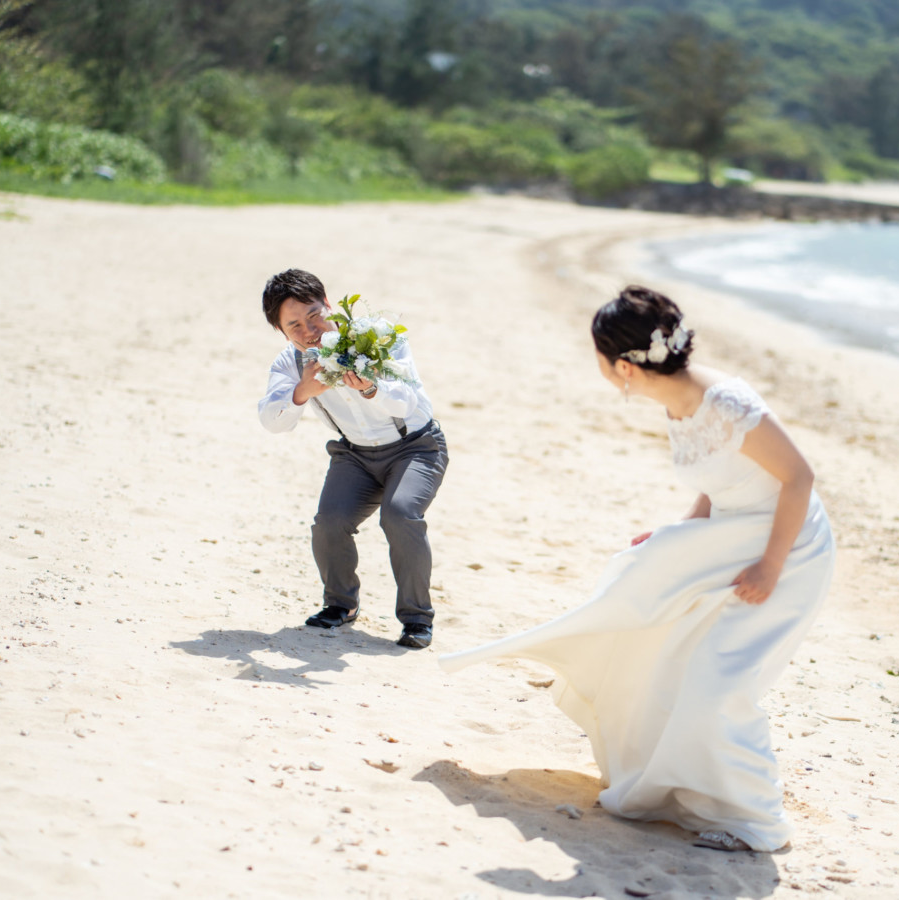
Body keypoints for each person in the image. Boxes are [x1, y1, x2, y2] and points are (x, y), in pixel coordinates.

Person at [438, 285, 835, 851]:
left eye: (599, 357)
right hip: (733, 535)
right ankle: (692, 793)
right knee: (660, 640)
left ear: (624, 366)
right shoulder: (677, 400)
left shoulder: (726, 402)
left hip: (789, 548)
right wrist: (682, 531)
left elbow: (799, 477)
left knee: (720, 680)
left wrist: (771, 566)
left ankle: (759, 824)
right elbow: (720, 477)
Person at [257, 268, 448, 650]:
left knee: (400, 515)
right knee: (329, 522)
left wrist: (373, 388)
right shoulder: (290, 363)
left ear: (328, 304)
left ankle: (417, 619)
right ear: (281, 331)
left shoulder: (376, 336)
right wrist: (302, 391)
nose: (309, 330)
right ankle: (340, 605)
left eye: (314, 315)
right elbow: (272, 421)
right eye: (294, 325)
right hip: (355, 455)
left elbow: (409, 402)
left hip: (415, 447)